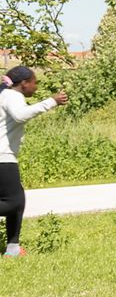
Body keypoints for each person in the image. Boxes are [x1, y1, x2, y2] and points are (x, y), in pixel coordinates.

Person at [0, 66, 68, 257]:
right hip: (3, 158)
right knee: (12, 203)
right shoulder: (13, 96)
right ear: (23, 84)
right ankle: (12, 248)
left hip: (5, 156)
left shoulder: (5, 95)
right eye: (34, 82)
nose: (36, 87)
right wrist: (51, 102)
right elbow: (21, 116)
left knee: (18, 200)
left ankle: (13, 248)